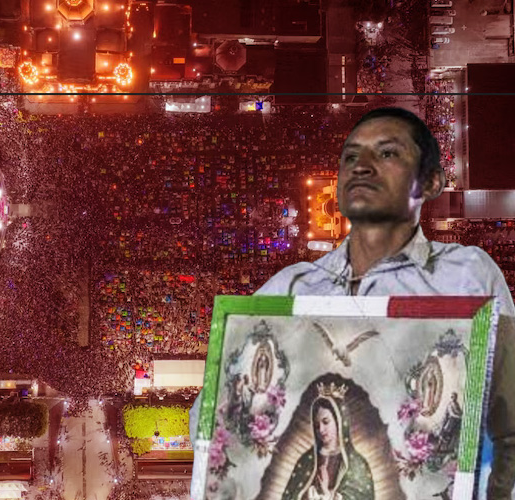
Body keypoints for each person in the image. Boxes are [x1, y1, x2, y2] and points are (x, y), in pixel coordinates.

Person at [190, 107, 515, 499]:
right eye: (350, 156)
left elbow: (510, 423)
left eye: (388, 153)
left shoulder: (466, 277)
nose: (361, 166)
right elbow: (212, 419)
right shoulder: (290, 290)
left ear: (431, 182)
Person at [282, 392, 373, 500]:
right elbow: (290, 496)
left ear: (339, 422)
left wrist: (328, 495)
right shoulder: (306, 460)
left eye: (326, 422)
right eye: (317, 425)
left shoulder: (356, 463)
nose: (321, 429)